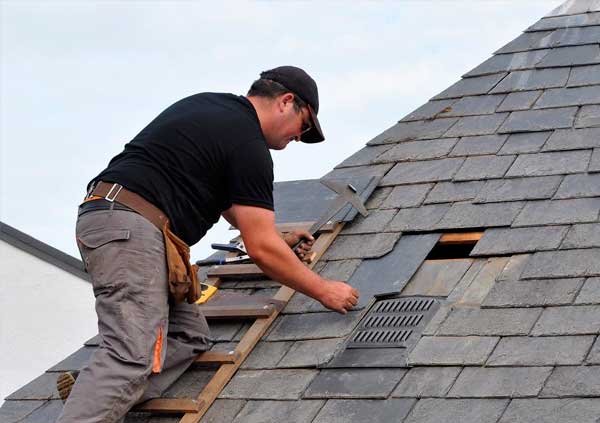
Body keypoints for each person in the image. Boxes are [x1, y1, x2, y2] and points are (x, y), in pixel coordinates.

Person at [56, 65, 360, 423]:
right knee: (131, 355)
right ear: (286, 101)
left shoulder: (210, 108)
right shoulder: (249, 144)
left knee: (189, 335)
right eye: (303, 126)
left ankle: (91, 392)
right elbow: (260, 249)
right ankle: (93, 400)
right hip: (132, 230)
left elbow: (238, 210)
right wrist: (324, 291)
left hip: (116, 220)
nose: (297, 137)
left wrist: (279, 238)